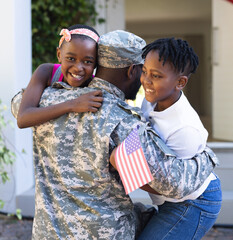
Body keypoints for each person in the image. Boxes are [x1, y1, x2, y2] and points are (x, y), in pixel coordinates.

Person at [12, 30, 219, 239]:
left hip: (49, 232)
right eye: (143, 71)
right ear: (132, 71)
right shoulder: (125, 123)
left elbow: (17, 105)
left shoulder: (44, 101)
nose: (145, 80)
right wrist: (206, 157)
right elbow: (171, 184)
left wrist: (51, 72)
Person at [138, 38, 222, 239]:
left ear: (180, 82)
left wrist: (125, 173)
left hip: (192, 203)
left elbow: (173, 187)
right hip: (168, 200)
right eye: (144, 71)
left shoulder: (185, 129)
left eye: (156, 75)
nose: (146, 81)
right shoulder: (150, 101)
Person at [14, 24, 103, 128]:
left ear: (96, 63)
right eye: (71, 59)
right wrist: (73, 104)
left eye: (88, 61)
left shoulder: (95, 87)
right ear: (59, 55)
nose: (78, 68)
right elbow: (23, 118)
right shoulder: (46, 72)